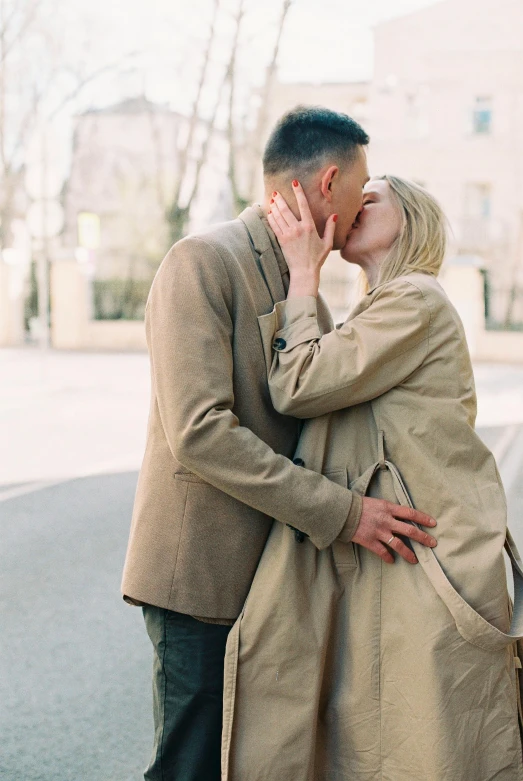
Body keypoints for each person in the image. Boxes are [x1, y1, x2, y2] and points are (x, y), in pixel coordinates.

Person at [120, 107, 438, 781]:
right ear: (328, 182)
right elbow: (200, 431)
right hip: (201, 572)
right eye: (360, 190)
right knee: (192, 763)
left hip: (277, 577)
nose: (359, 209)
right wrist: (346, 513)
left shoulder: (305, 279)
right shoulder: (201, 261)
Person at [221, 176, 523, 780]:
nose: (357, 202)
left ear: (409, 219)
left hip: (437, 558)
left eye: (374, 195)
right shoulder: (385, 306)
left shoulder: (416, 299)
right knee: (403, 739)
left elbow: (299, 383)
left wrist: (303, 276)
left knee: (435, 742)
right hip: (418, 552)